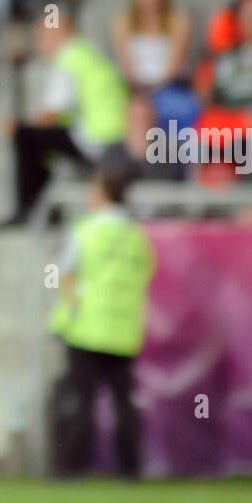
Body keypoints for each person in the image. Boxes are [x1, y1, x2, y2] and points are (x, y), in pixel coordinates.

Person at [48, 162, 156, 479]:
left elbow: (63, 274)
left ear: (103, 194)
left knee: (82, 400)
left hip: (87, 326)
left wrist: (69, 307)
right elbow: (146, 273)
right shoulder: (137, 236)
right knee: (125, 403)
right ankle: (130, 469)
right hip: (124, 329)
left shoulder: (86, 230)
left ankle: (72, 467)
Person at [0, 11, 129, 227]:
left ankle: (29, 210)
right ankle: (45, 208)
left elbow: (53, 112)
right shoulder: (88, 53)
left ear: (59, 33)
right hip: (115, 137)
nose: (38, 43)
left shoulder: (69, 58)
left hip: (97, 138)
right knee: (41, 139)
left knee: (25, 136)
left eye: (42, 36)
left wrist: (18, 128)